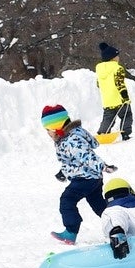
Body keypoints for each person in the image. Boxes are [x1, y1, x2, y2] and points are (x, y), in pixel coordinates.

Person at [43, 104, 110, 245]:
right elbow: (72, 160)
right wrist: (63, 172)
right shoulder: (68, 137)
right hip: (92, 177)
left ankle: (71, 232)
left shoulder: (72, 140)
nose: (48, 133)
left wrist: (103, 166)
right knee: (98, 204)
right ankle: (117, 223)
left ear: (57, 127)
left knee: (67, 200)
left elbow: (87, 156)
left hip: (85, 178)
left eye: (48, 130)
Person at [94, 43, 135, 141]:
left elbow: (98, 84)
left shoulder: (99, 69)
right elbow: (120, 84)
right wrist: (125, 98)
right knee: (127, 115)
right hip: (119, 99)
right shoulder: (118, 68)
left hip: (107, 100)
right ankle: (125, 133)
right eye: (117, 56)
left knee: (108, 118)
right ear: (112, 58)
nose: (118, 58)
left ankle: (103, 132)